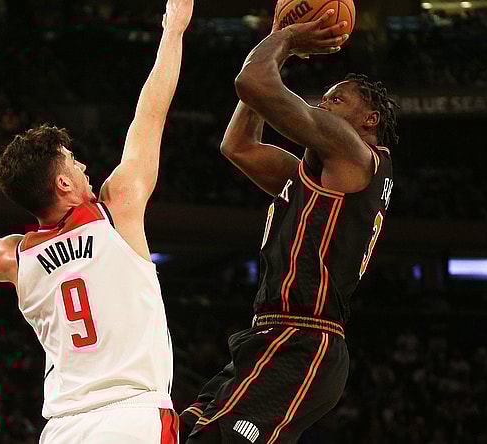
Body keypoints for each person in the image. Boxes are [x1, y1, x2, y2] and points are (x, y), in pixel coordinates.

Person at [0, 0, 193, 441]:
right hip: (132, 417)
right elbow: (151, 113)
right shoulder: (116, 211)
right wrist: (174, 30)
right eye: (75, 162)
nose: (84, 167)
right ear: (63, 183)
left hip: (62, 429)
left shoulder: (18, 257)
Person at [179, 9, 399, 444]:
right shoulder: (310, 172)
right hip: (269, 334)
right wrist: (277, 59)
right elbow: (238, 145)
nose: (322, 105)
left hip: (304, 338)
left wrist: (285, 39)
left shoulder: (355, 155)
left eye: (337, 100)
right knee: (181, 431)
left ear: (368, 120)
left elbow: (253, 82)